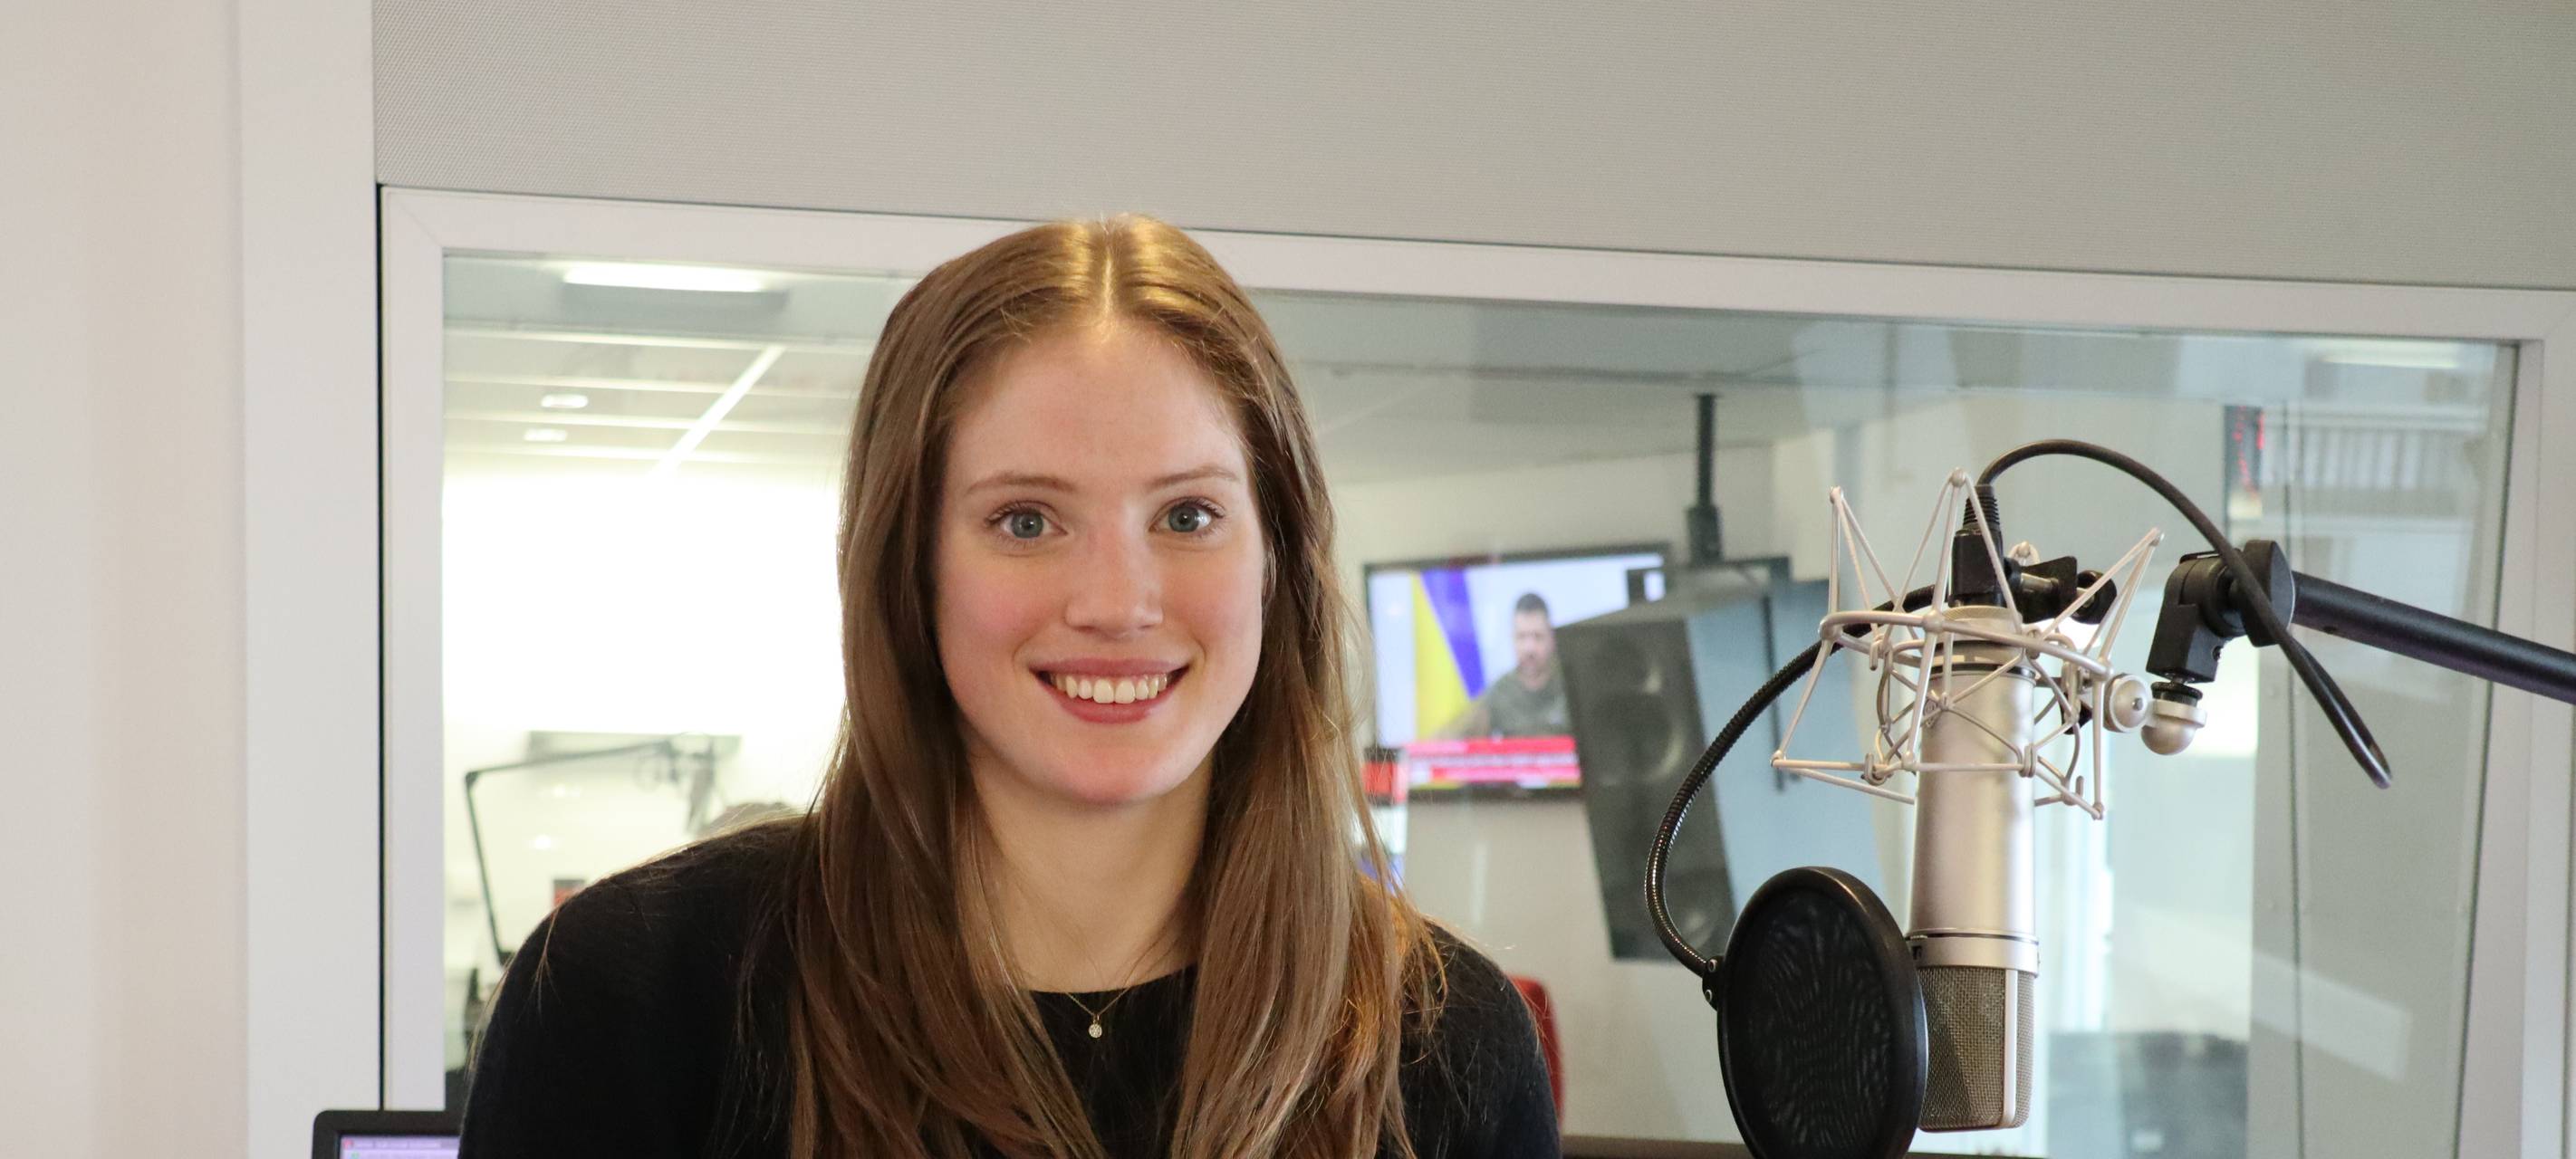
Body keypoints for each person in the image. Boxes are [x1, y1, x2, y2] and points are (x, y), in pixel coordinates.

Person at [457, 216, 1559, 1158]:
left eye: (1187, 515)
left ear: (1277, 557)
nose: (1118, 599)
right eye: (1025, 520)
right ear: (909, 563)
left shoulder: (1443, 1039)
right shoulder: (637, 996)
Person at [1438, 593, 1570, 740]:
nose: (1529, 648)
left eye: (1537, 636)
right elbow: (1452, 736)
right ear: (1512, 638)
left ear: (1552, 638)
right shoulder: (1501, 692)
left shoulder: (1572, 684)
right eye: (1522, 637)